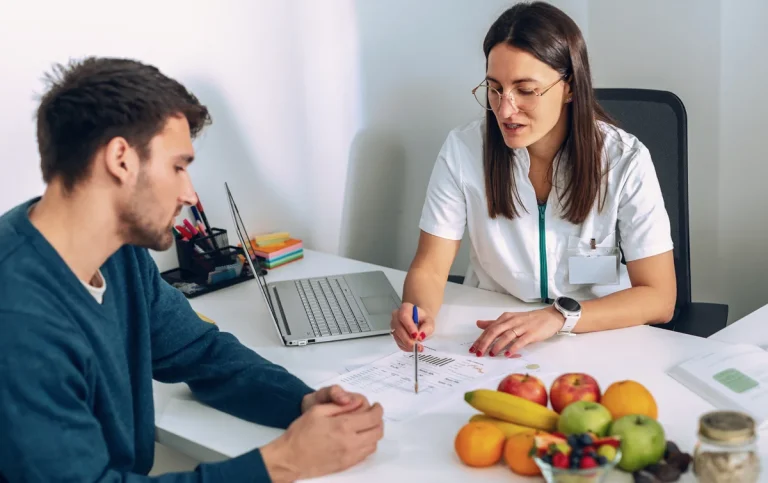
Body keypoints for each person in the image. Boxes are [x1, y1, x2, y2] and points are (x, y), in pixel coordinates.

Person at [0, 57, 384, 482]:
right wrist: (284, 461)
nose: (189, 192)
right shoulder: (18, 317)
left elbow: (200, 352)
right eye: (178, 167)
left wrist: (301, 402)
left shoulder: (118, 254)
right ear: (121, 159)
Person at [390, 1, 677, 358]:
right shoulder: (463, 150)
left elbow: (659, 297)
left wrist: (558, 317)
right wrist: (419, 312)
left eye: (525, 90)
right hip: (491, 328)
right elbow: (430, 268)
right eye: (494, 88)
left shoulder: (624, 160)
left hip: (599, 334)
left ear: (569, 86)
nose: (504, 109)